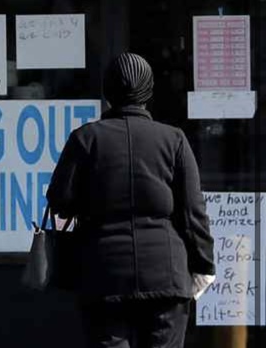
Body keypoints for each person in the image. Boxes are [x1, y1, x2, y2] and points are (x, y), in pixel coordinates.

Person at [46, 53, 216, 348]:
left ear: (107, 90)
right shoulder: (173, 139)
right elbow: (193, 212)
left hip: (104, 272)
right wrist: (204, 265)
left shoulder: (85, 139)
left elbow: (60, 201)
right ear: (149, 91)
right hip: (167, 273)